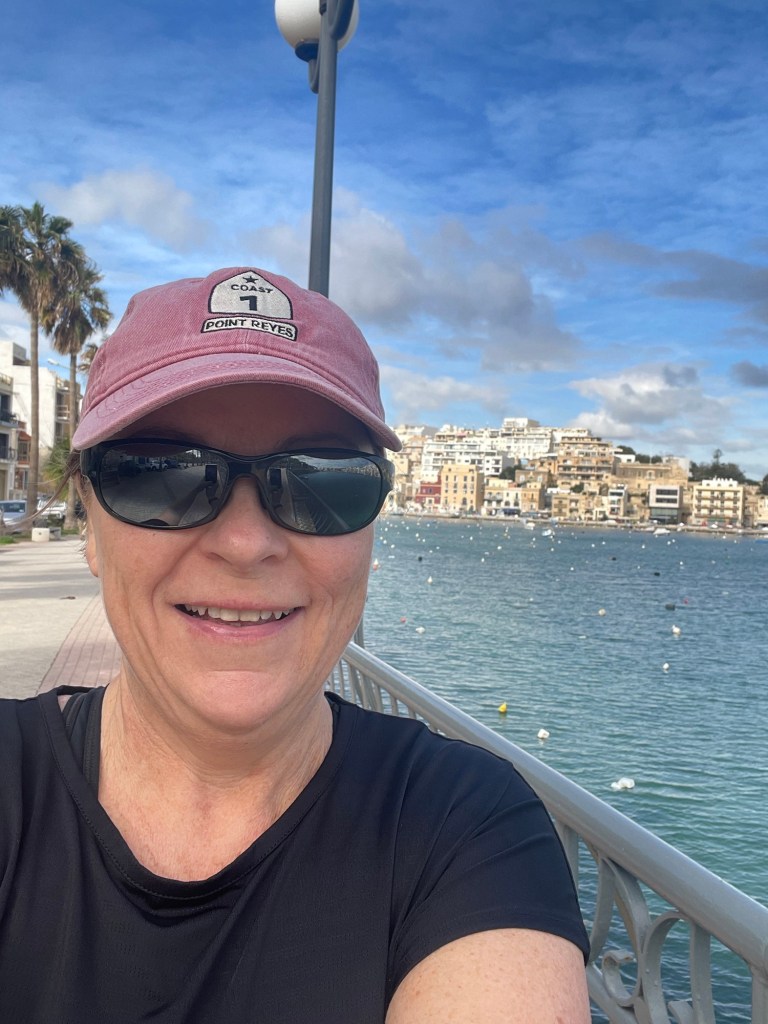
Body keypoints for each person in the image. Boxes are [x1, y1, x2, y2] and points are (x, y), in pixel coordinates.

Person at [0, 267, 591, 1023]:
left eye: (322, 480)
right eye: (161, 475)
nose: (247, 543)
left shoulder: (463, 827)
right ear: (89, 520)